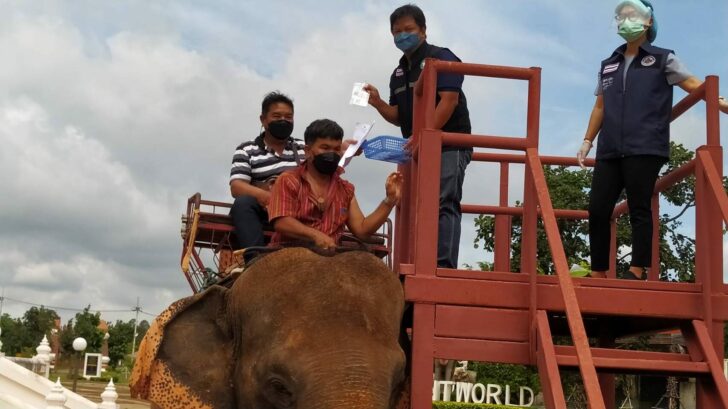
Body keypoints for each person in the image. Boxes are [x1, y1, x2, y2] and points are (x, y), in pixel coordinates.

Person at [577, 0, 728, 279]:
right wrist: (587, 140)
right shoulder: (608, 64)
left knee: (639, 206)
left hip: (645, 144)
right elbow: (600, 106)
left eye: (631, 15)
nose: (625, 21)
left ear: (648, 22)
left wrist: (720, 102)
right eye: (621, 16)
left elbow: (694, 85)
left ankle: (637, 268)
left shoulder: (662, 58)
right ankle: (598, 271)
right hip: (610, 147)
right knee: (597, 208)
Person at [363, 4, 472, 269]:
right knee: (417, 204)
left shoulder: (443, 57)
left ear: (423, 30)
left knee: (444, 199)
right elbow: (399, 116)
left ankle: (443, 266)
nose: (402, 36)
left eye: (408, 29)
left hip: (449, 144)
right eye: (397, 32)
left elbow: (448, 101)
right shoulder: (398, 72)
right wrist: (377, 103)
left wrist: (424, 135)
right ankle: (419, 263)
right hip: (416, 147)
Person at [268, 119, 403, 250]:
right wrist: (315, 235)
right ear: (308, 151)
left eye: (336, 149)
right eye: (325, 148)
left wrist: (389, 200)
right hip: (286, 257)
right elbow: (282, 222)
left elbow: (362, 230)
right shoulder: (288, 180)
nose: (331, 154)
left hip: (329, 261)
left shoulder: (345, 189)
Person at [229, 91, 304, 251]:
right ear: (263, 120)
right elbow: (237, 186)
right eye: (277, 116)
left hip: (298, 209)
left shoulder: (304, 148)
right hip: (264, 210)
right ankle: (255, 259)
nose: (283, 121)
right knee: (243, 203)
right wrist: (269, 197)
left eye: (288, 117)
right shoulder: (247, 149)